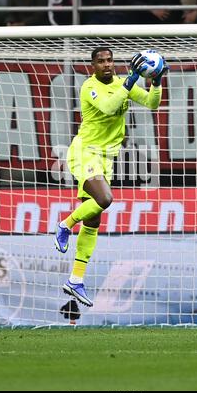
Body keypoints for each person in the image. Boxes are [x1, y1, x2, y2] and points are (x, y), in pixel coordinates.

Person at [54, 47, 169, 307]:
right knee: (105, 199)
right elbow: (108, 107)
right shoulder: (89, 87)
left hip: (106, 158)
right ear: (92, 66)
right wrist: (131, 78)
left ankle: (75, 280)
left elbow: (152, 103)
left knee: (93, 220)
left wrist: (157, 80)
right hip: (85, 152)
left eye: (109, 60)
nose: (107, 65)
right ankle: (65, 225)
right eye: (101, 61)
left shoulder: (120, 83)